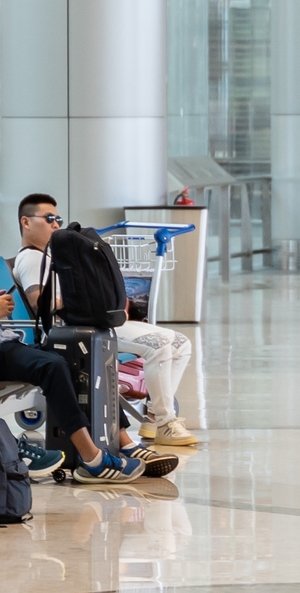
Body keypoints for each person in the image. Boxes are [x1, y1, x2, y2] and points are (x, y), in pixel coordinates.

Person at [14, 196, 190, 474]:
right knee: (161, 344)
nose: (56, 224)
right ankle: (162, 424)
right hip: (72, 329)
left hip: (92, 325)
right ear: (26, 222)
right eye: (49, 219)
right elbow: (40, 303)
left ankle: (150, 419)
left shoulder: (55, 256)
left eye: (58, 219)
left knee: (181, 343)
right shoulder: (31, 259)